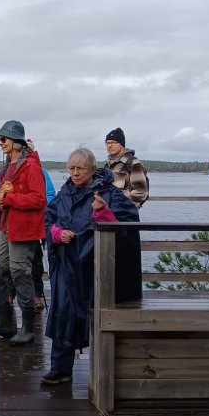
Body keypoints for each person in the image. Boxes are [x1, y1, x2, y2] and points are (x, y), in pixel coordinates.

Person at [42, 147, 140, 385]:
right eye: (71, 168)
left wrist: (104, 213)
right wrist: (56, 233)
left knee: (99, 317)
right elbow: (49, 218)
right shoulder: (64, 194)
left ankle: (107, 371)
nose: (75, 173)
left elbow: (128, 224)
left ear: (92, 169)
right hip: (67, 265)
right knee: (63, 312)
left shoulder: (109, 194)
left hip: (97, 267)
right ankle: (60, 368)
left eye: (80, 168)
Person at [0, 120, 47, 346]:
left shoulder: (32, 167)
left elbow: (39, 199)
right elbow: (6, 200)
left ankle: (27, 327)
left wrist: (6, 198)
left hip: (24, 229)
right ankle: (5, 322)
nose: (0, 142)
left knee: (20, 273)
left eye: (4, 138)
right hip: (6, 225)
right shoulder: (6, 168)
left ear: (17, 142)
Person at [26, 138, 55, 314]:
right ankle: (11, 294)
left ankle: (37, 295)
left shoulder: (40, 171)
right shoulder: (11, 170)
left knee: (36, 260)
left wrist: (44, 209)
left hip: (39, 221)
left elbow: (50, 193)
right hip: (20, 222)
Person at [103, 127, 149, 209]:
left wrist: (126, 208)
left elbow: (141, 192)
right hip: (109, 211)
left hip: (124, 214)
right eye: (107, 143)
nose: (110, 146)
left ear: (121, 145)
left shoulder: (133, 163)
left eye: (113, 142)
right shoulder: (107, 164)